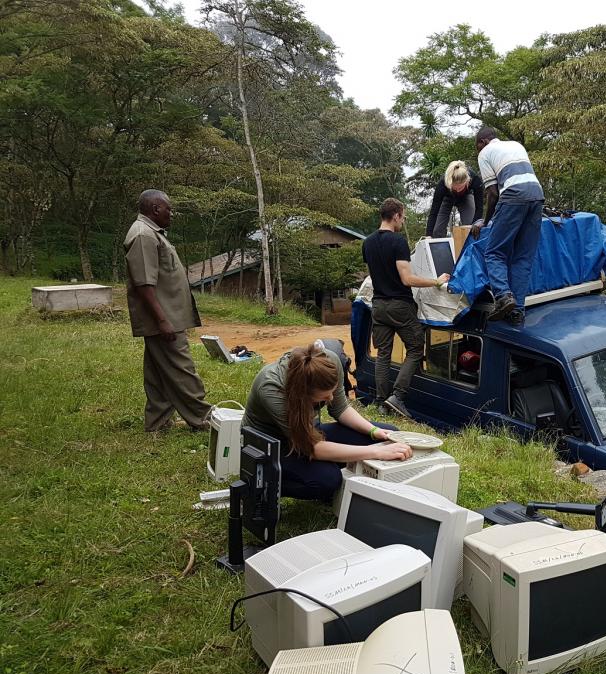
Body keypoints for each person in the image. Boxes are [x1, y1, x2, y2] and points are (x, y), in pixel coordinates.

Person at [242, 342, 412, 501]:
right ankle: (263, 484)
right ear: (303, 393)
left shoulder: (329, 362)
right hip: (270, 447)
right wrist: (375, 453)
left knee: (388, 434)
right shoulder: (272, 388)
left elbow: (340, 409)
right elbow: (313, 448)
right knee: (328, 479)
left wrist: (373, 431)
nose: (330, 398)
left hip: (309, 433)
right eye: (324, 397)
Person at [124, 189, 211, 432]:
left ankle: (158, 422)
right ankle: (203, 418)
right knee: (182, 369)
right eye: (168, 209)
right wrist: (162, 321)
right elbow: (144, 284)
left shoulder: (153, 233)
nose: (171, 213)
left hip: (166, 316)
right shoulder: (144, 236)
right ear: (155, 210)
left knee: (158, 373)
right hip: (163, 318)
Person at [362, 198, 449, 418]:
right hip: (399, 306)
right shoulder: (397, 242)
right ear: (396, 215)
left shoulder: (367, 243)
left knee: (383, 354)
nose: (404, 221)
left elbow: (376, 275)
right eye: (404, 216)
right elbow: (407, 279)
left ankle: (382, 403)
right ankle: (397, 397)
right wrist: (436, 281)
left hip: (379, 305)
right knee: (416, 349)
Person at [472, 126, 545, 325]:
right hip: (537, 196)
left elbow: (493, 193)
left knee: (494, 253)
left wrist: (486, 223)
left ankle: (503, 296)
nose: (478, 151)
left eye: (477, 147)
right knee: (522, 258)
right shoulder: (515, 145)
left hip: (513, 195)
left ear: (483, 142)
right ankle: (517, 312)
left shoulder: (485, 153)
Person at [425, 160, 484, 238]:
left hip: (466, 197)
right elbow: (434, 212)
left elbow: (479, 208)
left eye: (461, 187)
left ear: (467, 181)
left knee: (471, 227)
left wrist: (476, 224)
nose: (458, 190)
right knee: (437, 230)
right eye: (455, 188)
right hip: (447, 197)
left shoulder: (475, 180)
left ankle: (469, 247)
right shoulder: (442, 184)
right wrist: (429, 234)